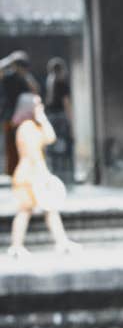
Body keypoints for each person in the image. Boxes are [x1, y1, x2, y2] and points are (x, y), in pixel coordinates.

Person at [8, 93, 78, 257]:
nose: (41, 108)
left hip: (34, 175)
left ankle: (62, 243)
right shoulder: (27, 127)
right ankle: (16, 246)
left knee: (50, 209)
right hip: (28, 176)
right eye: (38, 105)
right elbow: (33, 155)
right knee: (24, 211)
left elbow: (50, 137)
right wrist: (45, 176)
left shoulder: (33, 125)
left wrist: (42, 117)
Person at [0, 50, 39, 177]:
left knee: (22, 145)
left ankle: (22, 171)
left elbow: (36, 90)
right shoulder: (8, 76)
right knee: (11, 146)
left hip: (22, 117)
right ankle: (13, 172)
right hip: (10, 116)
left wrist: (25, 74)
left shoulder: (25, 78)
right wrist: (10, 60)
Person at [44, 57, 74, 186]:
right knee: (62, 145)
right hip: (60, 117)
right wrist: (71, 121)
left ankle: (55, 173)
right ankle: (63, 176)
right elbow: (66, 103)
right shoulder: (61, 83)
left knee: (53, 146)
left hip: (51, 117)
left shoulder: (50, 82)